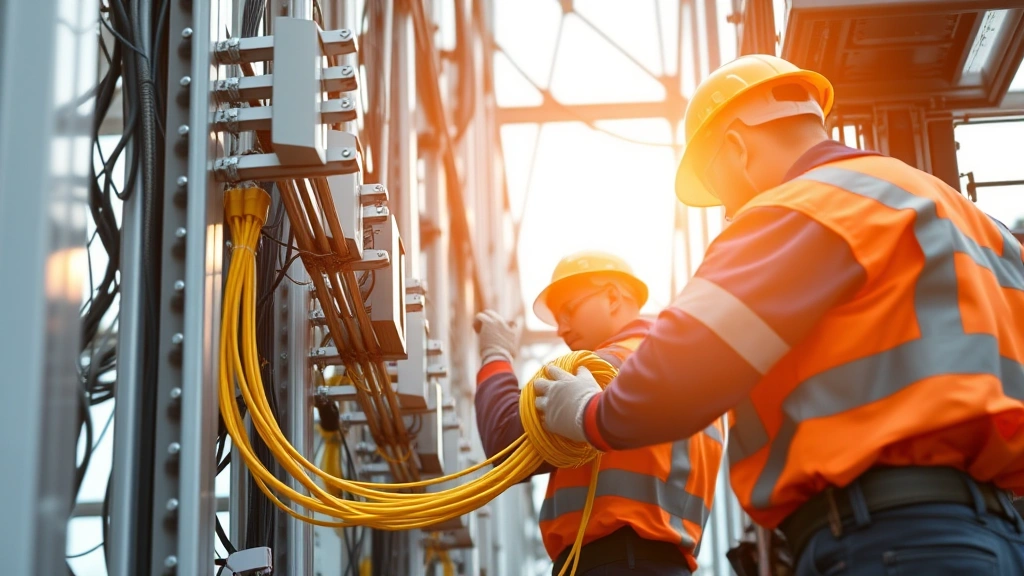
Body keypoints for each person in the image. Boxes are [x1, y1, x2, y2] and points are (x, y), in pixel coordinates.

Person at [534, 54, 1024, 575]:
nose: (726, 212)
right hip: (999, 533)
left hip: (886, 537)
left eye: (720, 192)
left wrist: (590, 414)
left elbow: (684, 365)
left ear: (738, 148)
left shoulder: (801, 205)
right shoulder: (977, 223)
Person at [475, 251, 724, 576]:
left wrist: (495, 357)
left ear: (612, 297)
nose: (561, 329)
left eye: (569, 310)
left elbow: (505, 442)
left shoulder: (604, 367)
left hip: (612, 563)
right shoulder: (681, 368)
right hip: (668, 564)